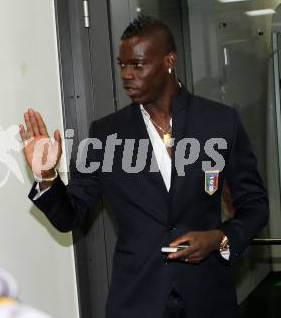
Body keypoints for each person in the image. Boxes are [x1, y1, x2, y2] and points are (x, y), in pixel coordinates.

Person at [20, 16, 269, 317]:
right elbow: (70, 216)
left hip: (208, 297)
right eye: (122, 65)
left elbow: (255, 205)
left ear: (169, 61)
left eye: (137, 65)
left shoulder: (219, 122)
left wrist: (219, 238)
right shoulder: (105, 134)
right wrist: (47, 177)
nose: (127, 75)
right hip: (137, 300)